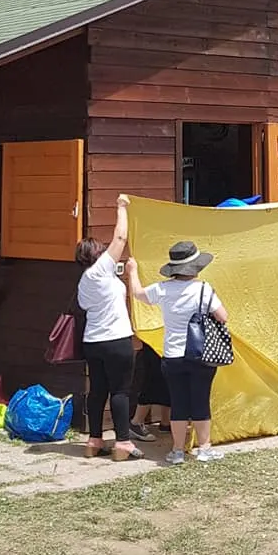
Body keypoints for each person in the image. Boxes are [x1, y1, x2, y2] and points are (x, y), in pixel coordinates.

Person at [127, 241, 229, 465]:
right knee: (201, 401)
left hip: (172, 356)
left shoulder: (162, 289)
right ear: (195, 267)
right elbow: (223, 316)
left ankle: (177, 451)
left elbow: (137, 294)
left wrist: (132, 270)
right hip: (201, 355)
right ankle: (204, 449)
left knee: (179, 403)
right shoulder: (203, 289)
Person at [76, 194, 141, 461]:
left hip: (93, 342)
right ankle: (123, 443)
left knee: (98, 390)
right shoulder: (101, 270)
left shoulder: (83, 281)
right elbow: (120, 238)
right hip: (116, 341)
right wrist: (121, 207)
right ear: (97, 256)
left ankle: (94, 441)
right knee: (120, 391)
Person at [130, 342, 171, 442]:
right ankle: (136, 423)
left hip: (163, 341)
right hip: (154, 341)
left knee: (167, 380)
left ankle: (166, 423)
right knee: (153, 381)